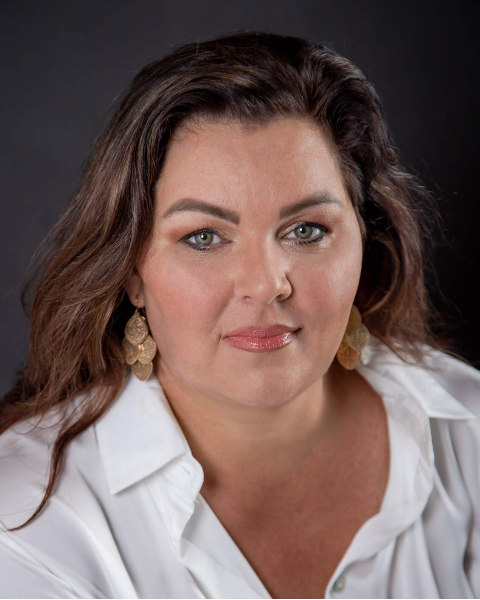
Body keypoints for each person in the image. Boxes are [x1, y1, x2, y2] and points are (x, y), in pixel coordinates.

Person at [0, 30, 479, 600]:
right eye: (203, 237)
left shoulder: (469, 429)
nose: (265, 284)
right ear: (131, 272)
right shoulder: (25, 519)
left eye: (307, 230)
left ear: (365, 243)